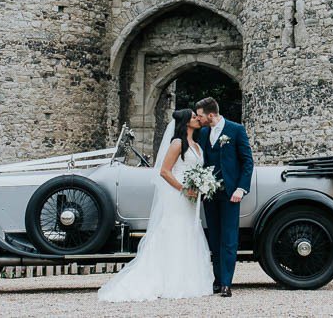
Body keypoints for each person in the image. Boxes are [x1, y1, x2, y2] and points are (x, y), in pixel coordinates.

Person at [97, 109, 214, 302]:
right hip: (178, 197)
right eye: (193, 117)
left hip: (192, 198)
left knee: (189, 232)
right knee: (175, 232)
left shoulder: (196, 145)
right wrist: (184, 189)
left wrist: (201, 185)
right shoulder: (177, 143)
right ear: (185, 122)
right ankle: (168, 280)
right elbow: (165, 172)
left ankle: (187, 279)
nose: (197, 119)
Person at [195, 96, 254, 298]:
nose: (198, 119)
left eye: (201, 115)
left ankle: (227, 284)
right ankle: (217, 280)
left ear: (211, 115)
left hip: (230, 194)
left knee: (229, 239)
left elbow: (247, 162)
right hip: (209, 194)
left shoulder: (236, 130)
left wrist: (241, 188)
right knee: (214, 237)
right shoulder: (203, 133)